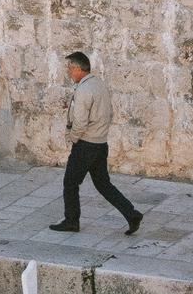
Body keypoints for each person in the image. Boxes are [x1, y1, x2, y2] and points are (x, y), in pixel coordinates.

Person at [52, 50, 143, 237]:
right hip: (100, 144)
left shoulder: (84, 90)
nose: (69, 72)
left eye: (70, 68)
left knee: (70, 183)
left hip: (86, 145)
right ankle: (131, 214)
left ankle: (71, 221)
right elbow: (109, 113)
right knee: (103, 184)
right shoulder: (99, 84)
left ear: (78, 68)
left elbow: (80, 121)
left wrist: (73, 138)